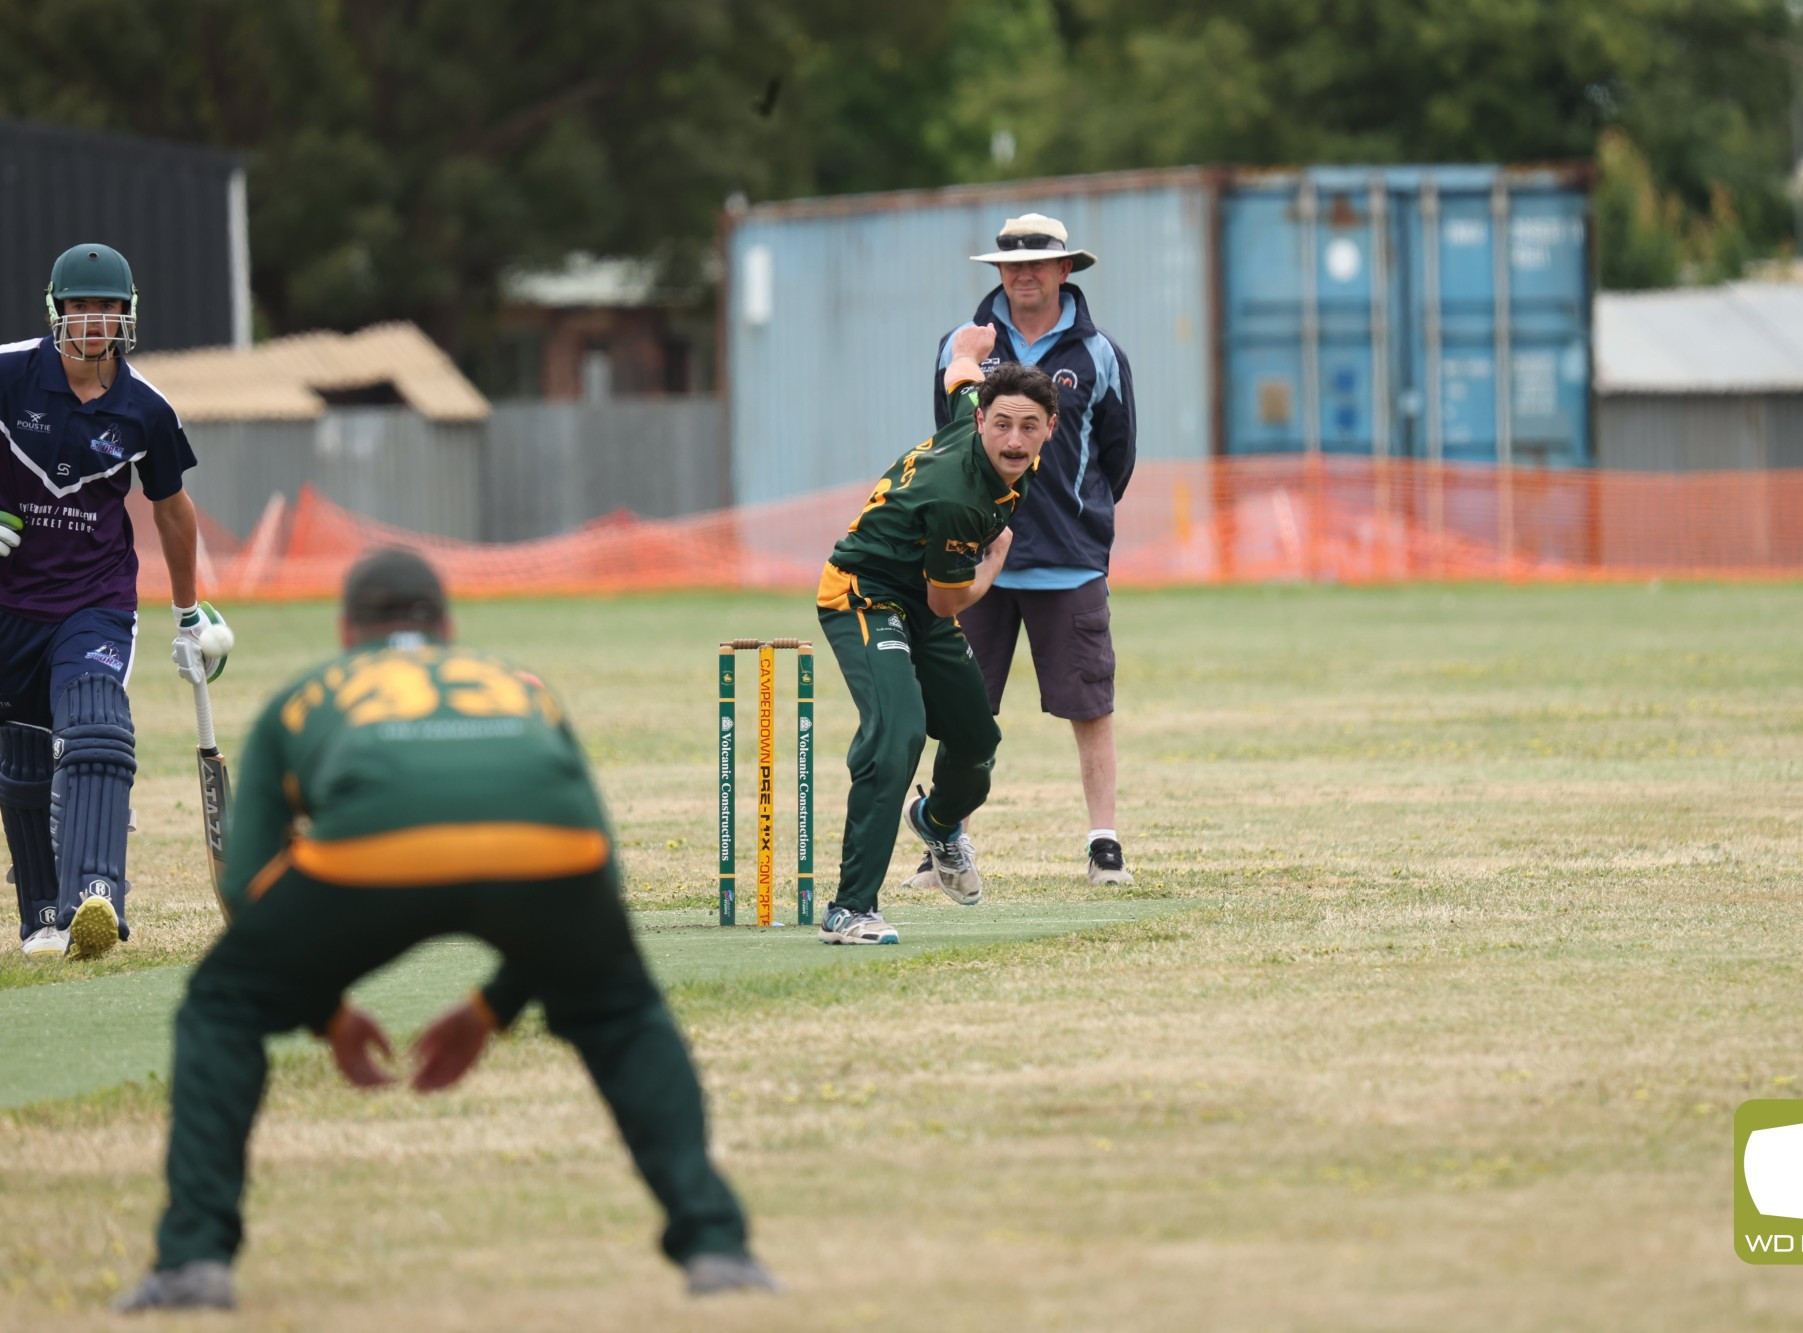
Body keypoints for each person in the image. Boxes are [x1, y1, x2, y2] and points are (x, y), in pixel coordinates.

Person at [114, 549, 776, 1312]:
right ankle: (717, 1246)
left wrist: (321, 1007)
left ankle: (195, 1258)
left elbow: (247, 883)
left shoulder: (308, 692)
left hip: (371, 852)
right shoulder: (514, 685)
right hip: (547, 852)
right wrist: (496, 1006)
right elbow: (600, 871)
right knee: (621, 1012)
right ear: (449, 628)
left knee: (221, 1006)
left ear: (346, 632)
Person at [0, 242, 225, 961]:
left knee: (96, 721)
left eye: (106, 308)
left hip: (94, 599)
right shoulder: (9, 372)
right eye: (79, 307)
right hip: (10, 601)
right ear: (55, 311)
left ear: (127, 316)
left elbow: (172, 510)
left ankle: (95, 894)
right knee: (23, 761)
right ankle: (41, 915)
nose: (92, 321)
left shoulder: (145, 409)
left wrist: (190, 612)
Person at [915, 211, 1137, 892]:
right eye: (1013, 265)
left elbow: (1117, 458)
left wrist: (1074, 518)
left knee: (1088, 703)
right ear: (999, 272)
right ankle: (945, 841)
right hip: (976, 552)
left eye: (1040, 262)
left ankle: (1104, 844)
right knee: (961, 706)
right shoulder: (964, 347)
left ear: (1065, 268)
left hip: (1069, 557)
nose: (1026, 275)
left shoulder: (1099, 353)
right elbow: (951, 441)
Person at [814, 325, 1052, 945]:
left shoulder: (979, 414)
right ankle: (850, 909)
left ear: (1050, 428)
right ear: (982, 426)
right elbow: (950, 597)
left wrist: (971, 347)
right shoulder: (960, 499)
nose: (1014, 439)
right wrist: (996, 561)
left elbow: (962, 376)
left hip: (922, 605)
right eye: (1002, 425)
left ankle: (939, 820)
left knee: (977, 743)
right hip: (865, 592)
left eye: (1029, 427)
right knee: (899, 733)